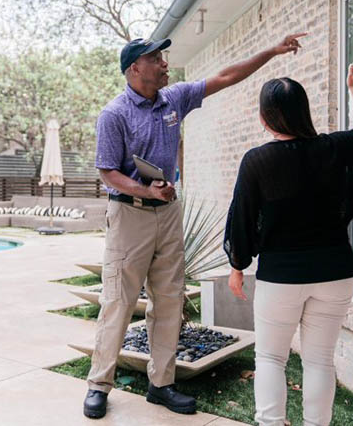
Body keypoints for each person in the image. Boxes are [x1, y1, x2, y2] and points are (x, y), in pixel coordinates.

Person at [83, 32, 306, 419]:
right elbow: (107, 173)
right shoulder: (114, 114)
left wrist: (271, 50)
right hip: (129, 216)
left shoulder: (175, 98)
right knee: (118, 302)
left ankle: (162, 384)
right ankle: (99, 384)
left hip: (168, 214)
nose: (166, 64)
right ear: (135, 68)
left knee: (169, 300)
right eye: (157, 59)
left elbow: (225, 77)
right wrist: (145, 190)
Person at [224, 58, 353, 426]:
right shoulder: (335, 149)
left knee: (271, 359)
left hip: (281, 278)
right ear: (303, 112)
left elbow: (241, 218)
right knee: (320, 359)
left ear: (265, 118)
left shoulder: (257, 161)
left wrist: (237, 266)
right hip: (336, 273)